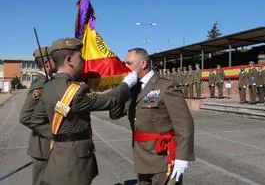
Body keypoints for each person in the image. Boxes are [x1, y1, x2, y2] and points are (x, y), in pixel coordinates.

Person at [29, 37, 137, 185]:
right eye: (80, 56)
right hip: (75, 163)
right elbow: (110, 101)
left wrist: (59, 136)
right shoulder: (76, 91)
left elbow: (35, 120)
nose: (84, 59)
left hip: (57, 155)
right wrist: (127, 83)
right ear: (69, 60)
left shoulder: (47, 87)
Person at [111, 48, 195, 185]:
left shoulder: (165, 86)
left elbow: (184, 124)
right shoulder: (132, 89)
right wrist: (123, 87)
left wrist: (182, 158)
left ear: (142, 64)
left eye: (129, 63)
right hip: (141, 157)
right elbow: (114, 114)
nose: (125, 67)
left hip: (162, 158)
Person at [20, 46, 57, 185]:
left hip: (50, 146)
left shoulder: (50, 82)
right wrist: (52, 132)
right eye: (54, 59)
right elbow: (25, 117)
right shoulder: (40, 85)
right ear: (47, 63)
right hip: (42, 146)